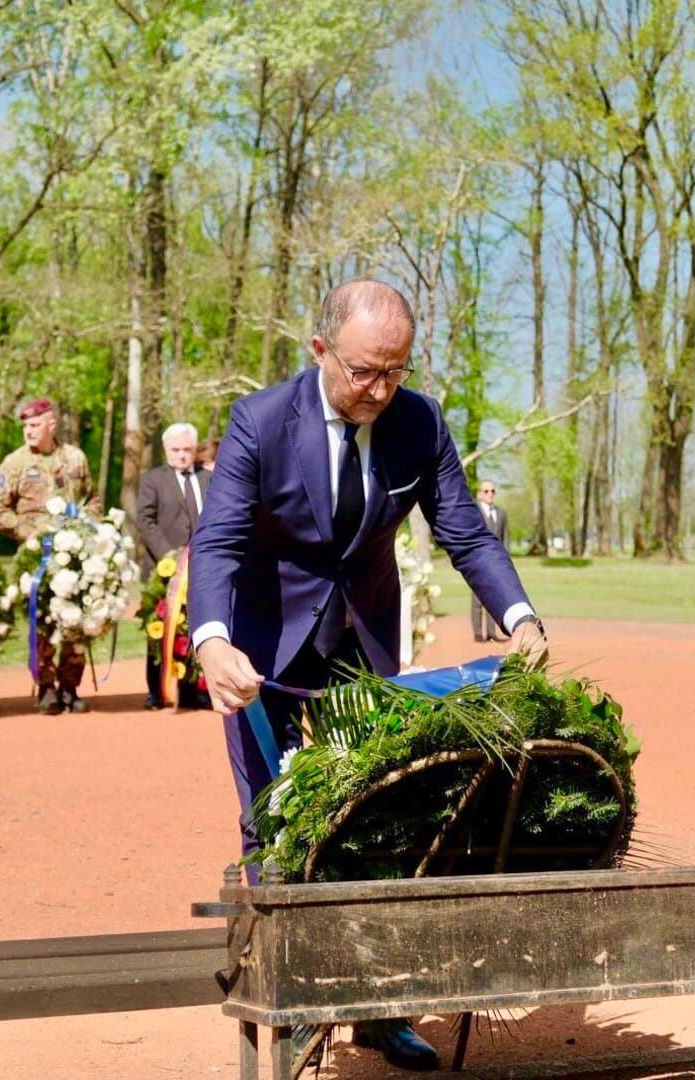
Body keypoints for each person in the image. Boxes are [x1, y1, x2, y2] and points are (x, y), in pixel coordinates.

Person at [190, 280, 547, 1073]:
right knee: (271, 822)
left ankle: (381, 1015)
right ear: (320, 351)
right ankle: (281, 1013)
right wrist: (211, 641)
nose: (380, 392)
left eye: (395, 372)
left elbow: (464, 531)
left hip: (363, 641)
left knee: (387, 814)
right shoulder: (258, 422)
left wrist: (519, 616)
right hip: (260, 647)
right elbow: (214, 542)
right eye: (363, 373)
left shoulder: (416, 422)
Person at [0, 397, 100, 715]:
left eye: (34, 425)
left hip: (74, 555)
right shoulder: (15, 463)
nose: (28, 431)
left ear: (52, 424)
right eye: (25, 426)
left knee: (75, 622)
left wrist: (88, 528)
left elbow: (92, 500)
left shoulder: (75, 458)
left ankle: (70, 687)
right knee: (43, 624)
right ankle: (46, 687)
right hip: (36, 558)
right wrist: (27, 532)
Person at [135, 422, 212, 708]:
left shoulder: (209, 478)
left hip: (203, 567)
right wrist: (169, 556)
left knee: (196, 627)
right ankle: (156, 691)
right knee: (161, 630)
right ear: (166, 450)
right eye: (176, 450)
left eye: (187, 450)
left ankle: (194, 690)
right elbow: (145, 520)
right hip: (163, 569)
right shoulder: (153, 480)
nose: (182, 455)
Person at [470, 479, 509, 642]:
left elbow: (505, 538)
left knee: (494, 597)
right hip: (477, 561)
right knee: (478, 599)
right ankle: (478, 633)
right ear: (480, 494)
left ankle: (492, 633)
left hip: (496, 562)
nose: (490, 494)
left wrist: (506, 559)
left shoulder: (501, 513)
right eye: (486, 491)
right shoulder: (474, 511)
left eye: (492, 491)